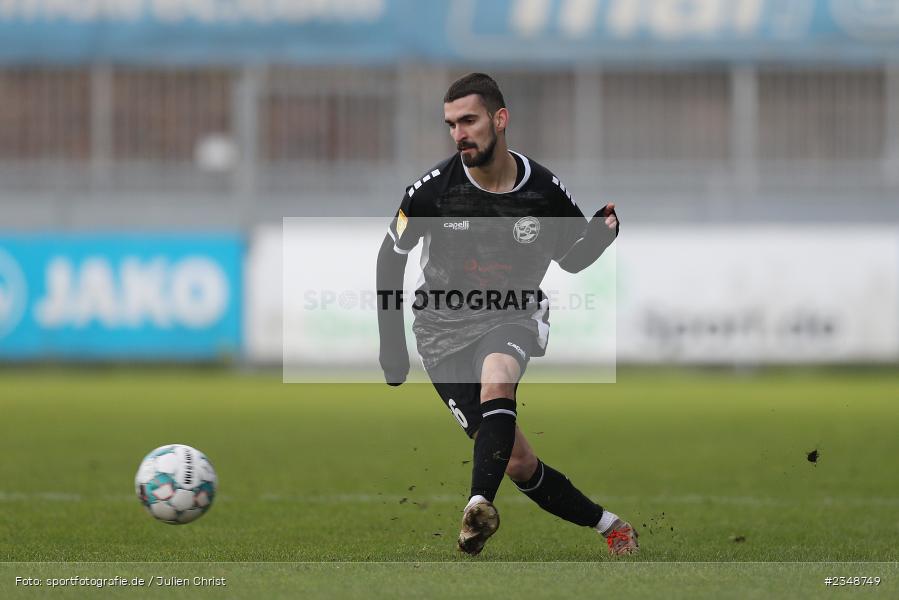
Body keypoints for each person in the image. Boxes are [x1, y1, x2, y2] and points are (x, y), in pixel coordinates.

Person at [376, 73, 637, 557]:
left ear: (500, 119)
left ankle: (478, 507)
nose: (459, 134)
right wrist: (391, 346)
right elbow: (390, 256)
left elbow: (570, 257)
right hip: (440, 330)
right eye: (451, 124)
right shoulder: (430, 193)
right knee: (516, 460)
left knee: (498, 378)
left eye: (469, 121)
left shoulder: (543, 189)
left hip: (512, 314)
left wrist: (601, 234)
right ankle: (611, 526)